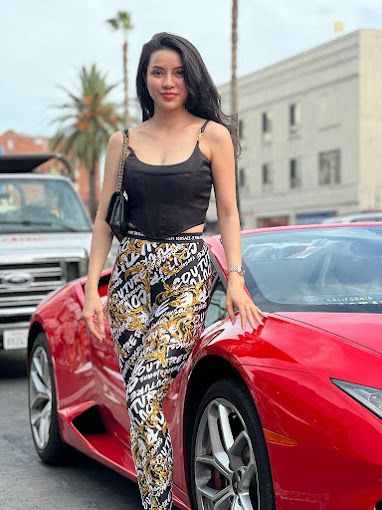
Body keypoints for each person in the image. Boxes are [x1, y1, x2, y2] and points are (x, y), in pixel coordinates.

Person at [83, 32, 267, 510]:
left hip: (186, 274)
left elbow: (228, 212)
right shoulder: (120, 142)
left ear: (192, 77)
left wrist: (236, 279)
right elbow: (105, 221)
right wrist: (91, 291)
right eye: (157, 72)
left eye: (178, 72)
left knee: (144, 400)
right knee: (140, 406)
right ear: (144, 79)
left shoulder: (213, 135)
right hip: (129, 282)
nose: (168, 82)